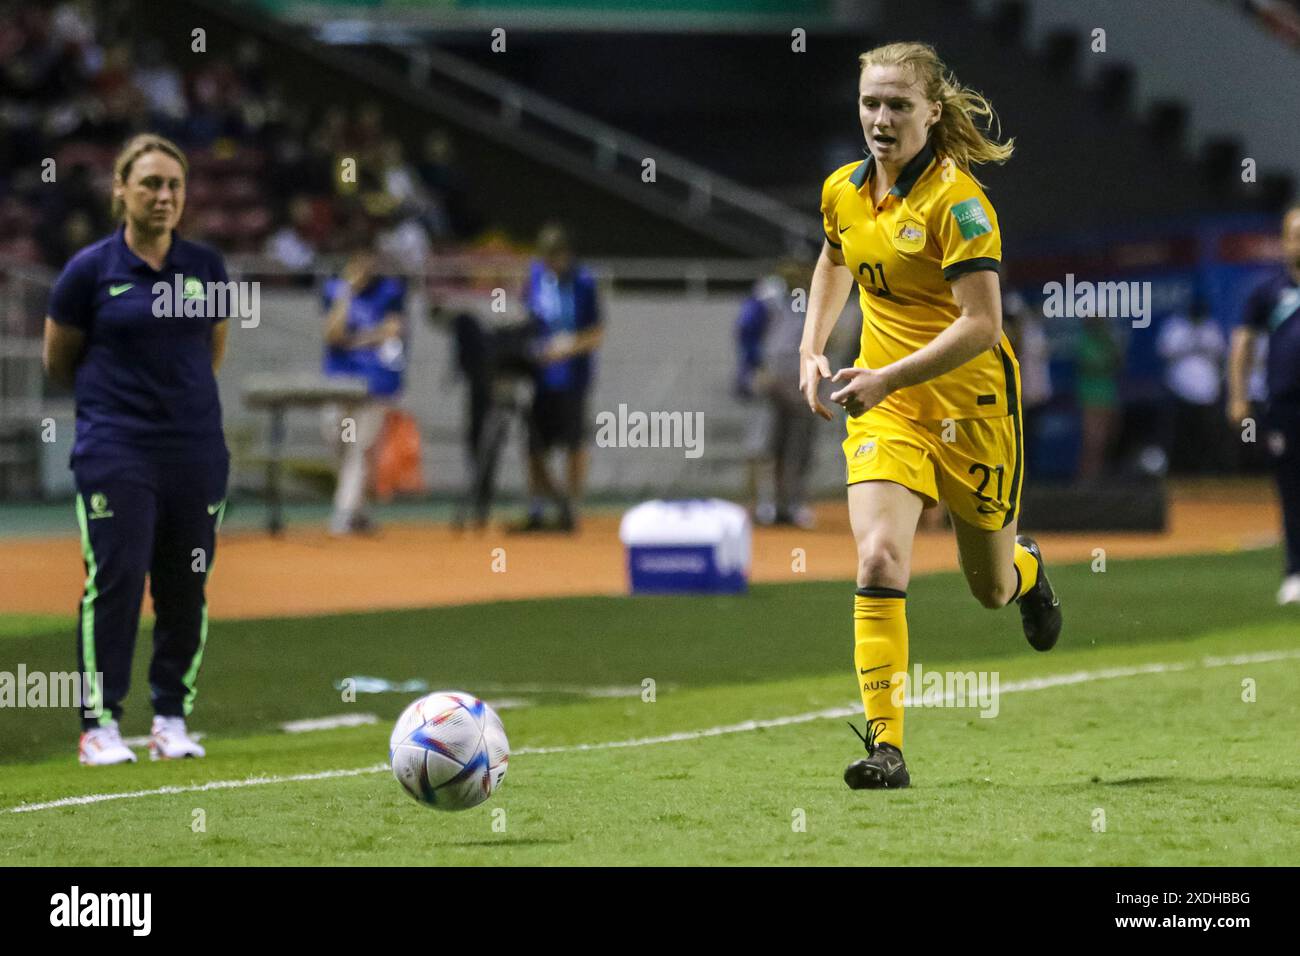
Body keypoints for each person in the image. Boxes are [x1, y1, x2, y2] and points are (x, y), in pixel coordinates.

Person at [798, 42, 1062, 791]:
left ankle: (1028, 571)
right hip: (890, 411)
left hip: (973, 410)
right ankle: (887, 747)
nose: (880, 120)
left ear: (931, 112)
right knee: (879, 557)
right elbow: (831, 260)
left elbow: (982, 325)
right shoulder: (843, 191)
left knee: (990, 589)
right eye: (870, 104)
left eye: (897, 106)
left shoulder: (960, 203)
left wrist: (885, 376)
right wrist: (810, 348)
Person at [42, 133, 231, 765]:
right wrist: (117, 410)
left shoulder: (207, 268)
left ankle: (171, 718)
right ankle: (99, 725)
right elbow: (58, 360)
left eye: (174, 185)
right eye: (149, 183)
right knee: (117, 579)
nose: (163, 196)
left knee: (187, 585)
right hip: (115, 448)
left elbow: (212, 352)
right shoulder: (88, 271)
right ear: (120, 190)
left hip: (196, 452)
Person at [1227, 204, 1300, 604]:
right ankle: (1295, 571)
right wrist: (1238, 396)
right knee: (1291, 488)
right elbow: (1243, 344)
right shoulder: (1269, 291)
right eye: (1294, 234)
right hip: (1286, 405)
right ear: (1284, 241)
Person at [514, 224, 603, 533]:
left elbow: (596, 332)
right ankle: (539, 506)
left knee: (574, 443)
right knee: (534, 445)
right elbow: (525, 316)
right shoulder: (536, 277)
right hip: (539, 376)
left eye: (556, 256)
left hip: (572, 377)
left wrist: (567, 347)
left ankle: (571, 509)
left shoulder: (584, 282)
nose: (551, 263)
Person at [321, 249, 407, 535]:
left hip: (374, 383)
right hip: (339, 382)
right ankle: (357, 512)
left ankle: (343, 514)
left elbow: (393, 331)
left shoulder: (390, 290)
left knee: (360, 447)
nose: (364, 266)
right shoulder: (334, 289)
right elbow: (333, 333)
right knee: (338, 443)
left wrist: (355, 340)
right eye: (357, 260)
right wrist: (347, 292)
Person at [736, 260, 818, 527]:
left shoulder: (813, 294)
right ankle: (761, 506)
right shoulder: (768, 295)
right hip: (770, 376)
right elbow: (746, 332)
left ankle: (790, 505)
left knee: (798, 446)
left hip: (801, 380)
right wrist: (754, 367)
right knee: (762, 445)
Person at [1157, 296, 1227, 474]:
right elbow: (1165, 352)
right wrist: (1190, 341)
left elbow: (1220, 354)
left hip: (1207, 392)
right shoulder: (1175, 327)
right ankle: (1178, 469)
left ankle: (1208, 469)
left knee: (1207, 434)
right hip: (1180, 390)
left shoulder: (1211, 327)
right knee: (1180, 434)